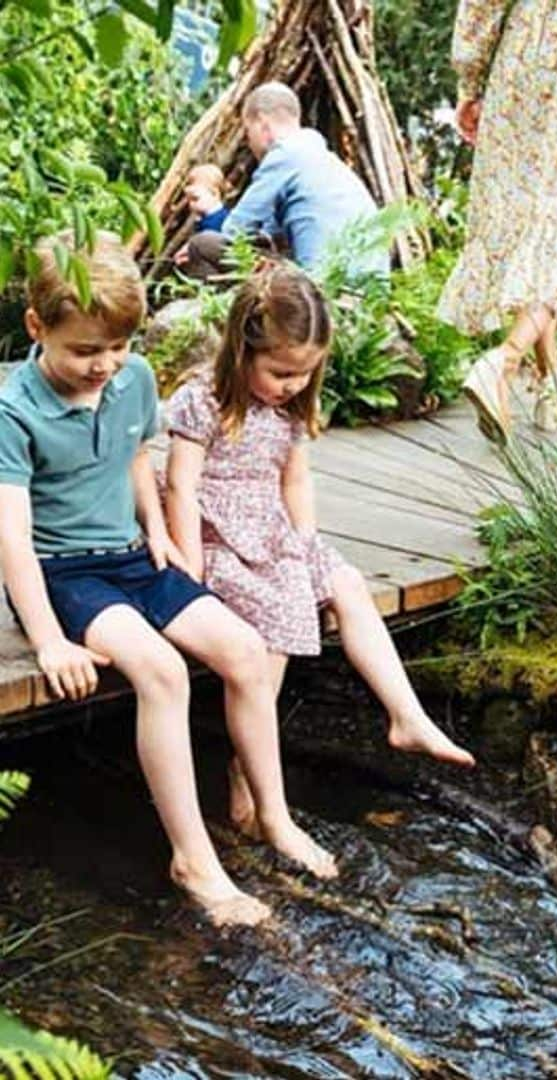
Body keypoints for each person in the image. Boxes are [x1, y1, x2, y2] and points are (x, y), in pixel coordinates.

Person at [3, 234, 334, 927]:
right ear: (37, 328)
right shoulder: (13, 411)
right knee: (162, 672)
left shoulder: (135, 378)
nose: (104, 367)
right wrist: (48, 641)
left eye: (117, 348)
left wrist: (156, 529)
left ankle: (271, 816)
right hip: (67, 573)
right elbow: (12, 538)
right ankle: (194, 860)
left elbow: (132, 459)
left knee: (243, 650)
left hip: (133, 554)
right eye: (85, 352)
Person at [165, 265, 474, 835]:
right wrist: (187, 571)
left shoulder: (287, 409)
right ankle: (248, 774)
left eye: (305, 374)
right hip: (219, 538)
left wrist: (305, 546)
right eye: (281, 372)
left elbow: (295, 482)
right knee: (280, 617)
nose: (292, 385)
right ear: (242, 350)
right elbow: (181, 486)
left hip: (275, 531)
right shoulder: (201, 401)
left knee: (347, 584)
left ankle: (406, 715)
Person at [437, 0, 557, 439]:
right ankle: (514, 367)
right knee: (556, 229)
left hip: (531, 58)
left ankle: (537, 379)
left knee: (545, 228)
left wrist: (470, 78)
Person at [178, 82, 382, 280]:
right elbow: (271, 232)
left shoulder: (284, 156)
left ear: (262, 125)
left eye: (248, 132)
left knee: (202, 245)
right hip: (367, 289)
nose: (248, 143)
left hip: (323, 288)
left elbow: (234, 230)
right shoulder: (320, 156)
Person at [182, 163, 231, 234]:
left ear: (214, 194)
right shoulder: (204, 218)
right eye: (189, 200)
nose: (191, 204)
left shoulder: (219, 221)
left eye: (195, 199)